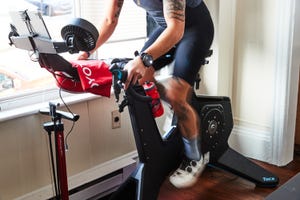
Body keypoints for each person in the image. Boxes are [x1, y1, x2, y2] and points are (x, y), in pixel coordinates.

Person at [78, 0, 214, 188]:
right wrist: (85, 52)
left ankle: (196, 156)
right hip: (166, 27)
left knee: (176, 94)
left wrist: (143, 60)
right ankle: (177, 108)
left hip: (194, 29)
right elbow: (110, 20)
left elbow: (176, 29)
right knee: (136, 78)